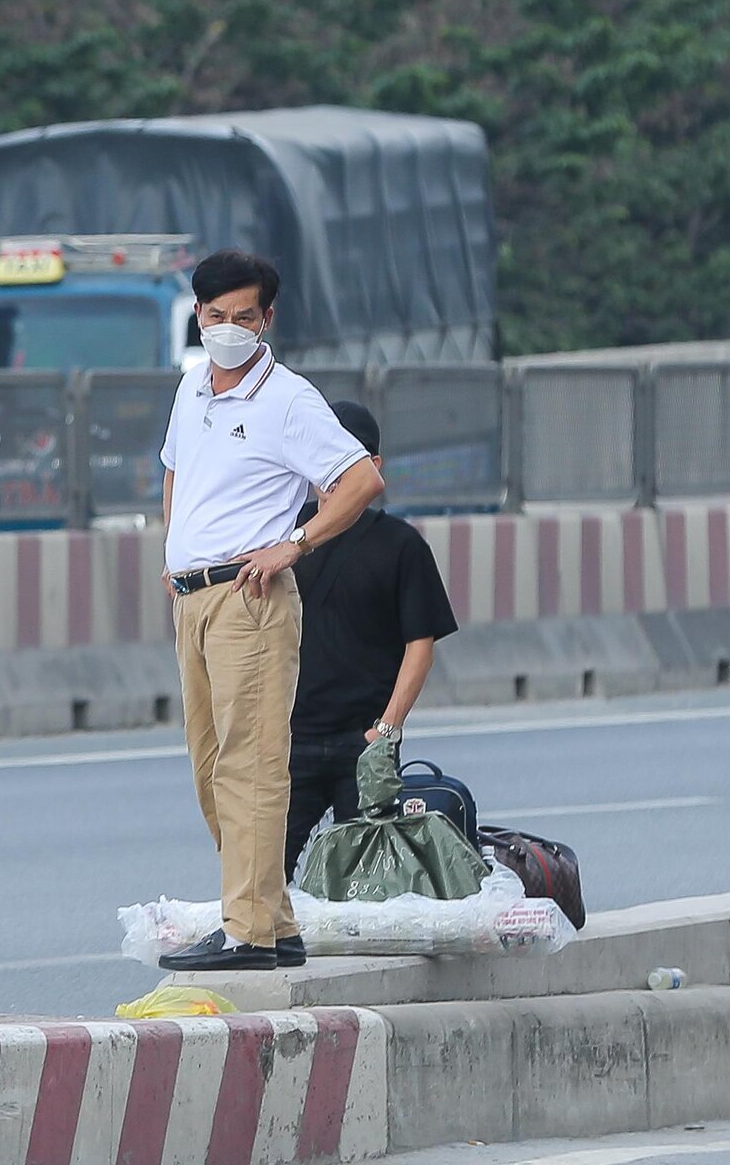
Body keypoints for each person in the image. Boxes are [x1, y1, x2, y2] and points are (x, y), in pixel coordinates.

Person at [156, 250, 384, 973]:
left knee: (250, 767)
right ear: (198, 316)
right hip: (193, 595)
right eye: (216, 317)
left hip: (250, 595)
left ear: (268, 319)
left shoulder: (287, 399)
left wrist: (296, 544)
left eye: (243, 317)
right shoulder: (191, 388)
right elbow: (173, 468)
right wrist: (173, 553)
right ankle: (273, 917)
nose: (229, 330)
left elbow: (359, 479)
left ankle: (248, 931)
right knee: (209, 765)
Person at [285, 400, 459, 876]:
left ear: (373, 467)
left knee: (363, 887)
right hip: (285, 740)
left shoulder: (401, 545)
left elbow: (420, 647)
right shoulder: (280, 533)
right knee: (261, 880)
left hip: (363, 745)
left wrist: (385, 730)